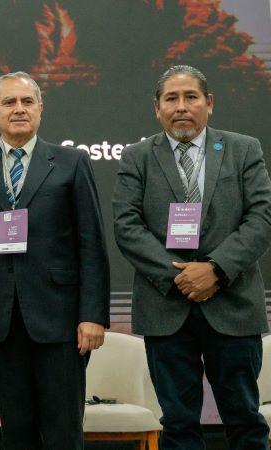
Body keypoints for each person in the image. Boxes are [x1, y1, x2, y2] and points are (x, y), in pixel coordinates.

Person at [0, 71, 110, 449]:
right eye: (9, 102)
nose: (18, 109)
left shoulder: (71, 162)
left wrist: (93, 314)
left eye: (27, 101)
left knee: (63, 431)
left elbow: (91, 243)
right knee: (16, 432)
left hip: (61, 319)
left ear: (40, 109)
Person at [112, 65, 271, 449]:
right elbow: (127, 226)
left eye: (191, 97)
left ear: (209, 103)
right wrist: (181, 277)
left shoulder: (243, 149)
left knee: (245, 419)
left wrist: (215, 270)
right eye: (171, 98)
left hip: (232, 304)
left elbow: (261, 217)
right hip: (166, 307)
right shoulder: (137, 157)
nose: (181, 106)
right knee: (178, 425)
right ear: (157, 108)